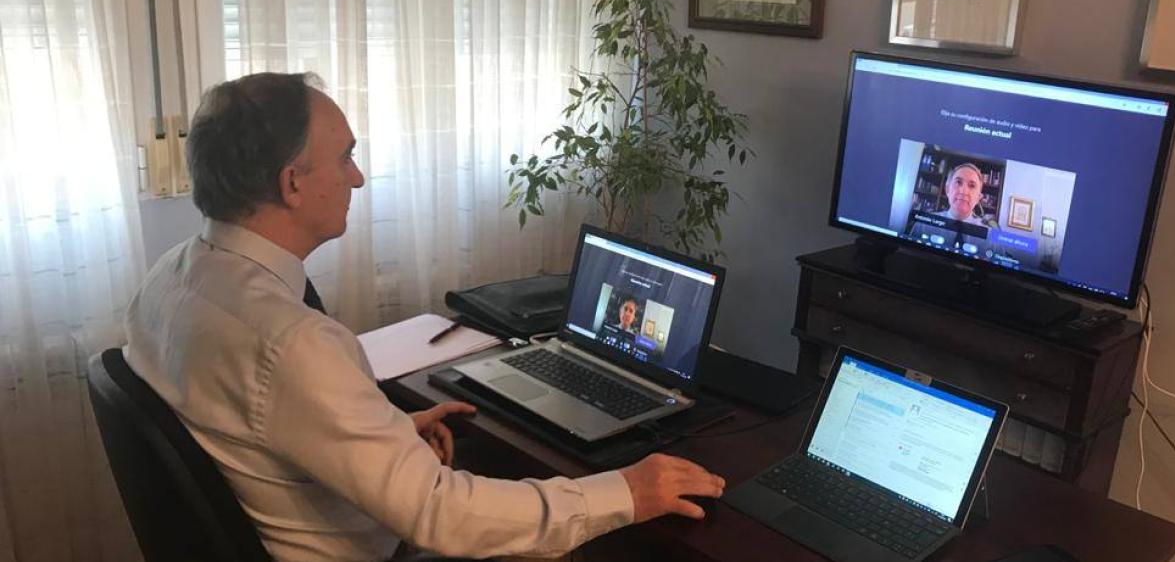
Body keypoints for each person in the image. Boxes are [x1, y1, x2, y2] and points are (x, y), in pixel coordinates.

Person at [123, 72, 724, 562]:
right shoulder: (292, 342)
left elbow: (246, 425)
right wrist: (627, 490)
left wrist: (376, 436)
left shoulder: (170, 276)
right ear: (292, 183)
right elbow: (440, 515)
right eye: (346, 159)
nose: (357, 177)